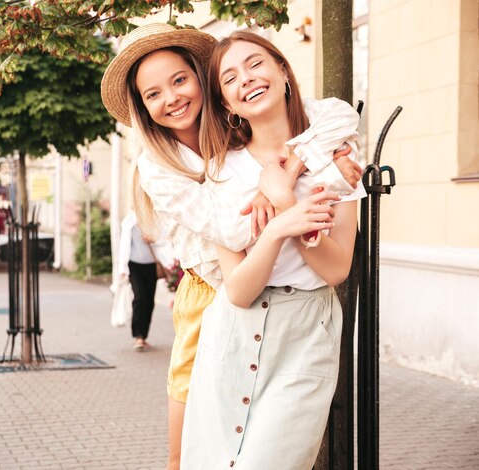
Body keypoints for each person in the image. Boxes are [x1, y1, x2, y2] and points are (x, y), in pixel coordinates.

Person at [101, 23, 362, 469]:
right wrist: (277, 198)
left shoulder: (238, 129)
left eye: (180, 81)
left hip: (291, 307)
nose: (172, 98)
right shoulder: (162, 166)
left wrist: (292, 170)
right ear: (143, 109)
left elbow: (339, 115)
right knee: (193, 453)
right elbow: (230, 227)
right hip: (211, 292)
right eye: (153, 94)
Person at [180, 31, 367, 469]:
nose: (246, 79)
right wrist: (280, 227)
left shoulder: (337, 157)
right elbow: (239, 291)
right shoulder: (221, 172)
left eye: (255, 64)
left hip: (306, 332)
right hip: (233, 332)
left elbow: (337, 269)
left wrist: (283, 195)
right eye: (229, 78)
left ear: (283, 71)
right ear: (226, 103)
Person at [117, 210, 162, 351]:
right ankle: (138, 336)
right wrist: (122, 268)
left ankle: (144, 335)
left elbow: (164, 240)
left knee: (149, 301)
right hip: (134, 265)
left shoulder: (154, 218)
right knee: (140, 297)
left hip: (151, 266)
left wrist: (153, 239)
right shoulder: (129, 220)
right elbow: (124, 245)